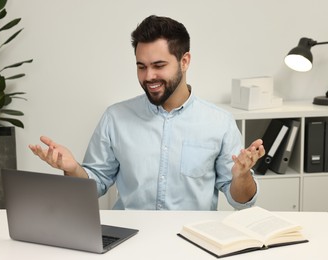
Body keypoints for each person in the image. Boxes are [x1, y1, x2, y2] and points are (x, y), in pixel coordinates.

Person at [29, 15, 265, 210]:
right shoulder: (115, 118)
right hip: (130, 240)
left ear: (185, 61)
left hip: (192, 243)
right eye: (141, 67)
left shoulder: (219, 123)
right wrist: (72, 170)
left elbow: (241, 202)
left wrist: (242, 176)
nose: (149, 76)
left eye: (159, 66)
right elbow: (95, 185)